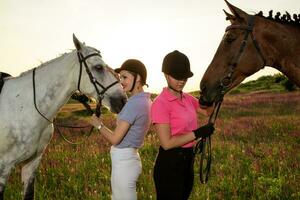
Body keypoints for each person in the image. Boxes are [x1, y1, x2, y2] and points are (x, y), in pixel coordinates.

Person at [151, 50, 215, 200]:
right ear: (166, 74)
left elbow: (207, 112)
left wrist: (211, 96)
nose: (182, 81)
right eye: (177, 77)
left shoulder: (187, 98)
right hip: (170, 164)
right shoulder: (160, 104)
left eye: (184, 77)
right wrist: (198, 133)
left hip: (187, 160)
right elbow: (166, 143)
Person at [89, 59, 152, 200]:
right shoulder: (145, 101)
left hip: (124, 162)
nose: (121, 81)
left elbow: (115, 139)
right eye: (120, 77)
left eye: (125, 77)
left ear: (138, 79)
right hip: (128, 160)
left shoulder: (134, 104)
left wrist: (98, 124)